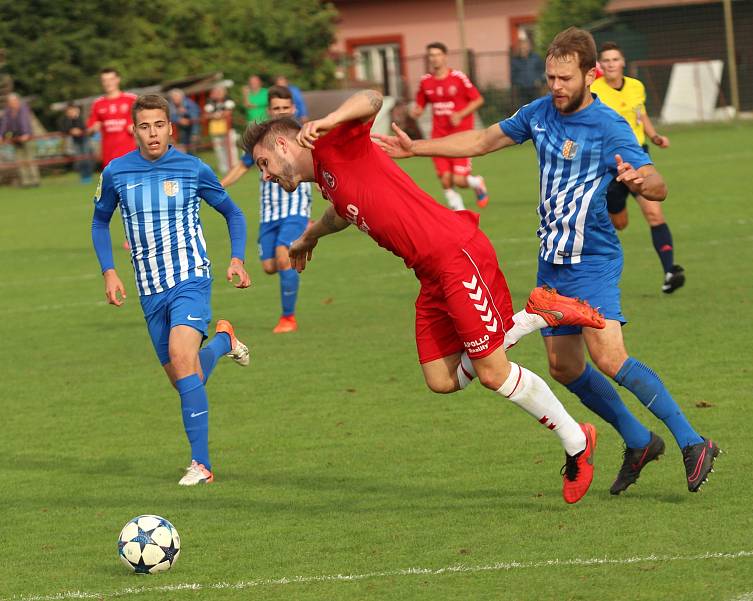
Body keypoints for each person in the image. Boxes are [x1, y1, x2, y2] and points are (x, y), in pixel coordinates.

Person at [375, 27, 719, 495]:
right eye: (550, 77)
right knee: (564, 368)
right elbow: (481, 140)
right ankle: (639, 441)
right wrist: (417, 148)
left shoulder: (608, 125)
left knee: (610, 358)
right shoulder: (538, 113)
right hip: (552, 260)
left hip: (592, 257)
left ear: (590, 75)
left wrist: (641, 182)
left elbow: (658, 183)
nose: (555, 86)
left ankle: (693, 441)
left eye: (564, 78)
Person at [243, 89, 609, 504]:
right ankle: (532, 316)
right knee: (441, 380)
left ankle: (577, 440)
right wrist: (310, 236)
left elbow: (372, 98)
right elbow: (341, 210)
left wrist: (330, 119)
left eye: (264, 164)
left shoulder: (335, 141)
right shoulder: (326, 175)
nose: (266, 175)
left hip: (456, 256)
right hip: (430, 274)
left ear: (282, 143)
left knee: (492, 373)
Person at [91, 94, 252, 486]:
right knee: (185, 377)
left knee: (183, 360)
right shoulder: (116, 172)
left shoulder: (192, 168)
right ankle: (223, 342)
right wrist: (109, 272)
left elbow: (233, 212)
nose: (152, 133)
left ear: (171, 128)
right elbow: (99, 222)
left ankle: (202, 465)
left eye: (159, 125)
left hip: (189, 278)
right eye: (144, 126)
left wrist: (237, 258)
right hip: (149, 289)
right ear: (134, 130)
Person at [592, 42, 684, 294]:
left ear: (623, 62)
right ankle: (598, 268)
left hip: (639, 158)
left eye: (615, 59)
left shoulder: (636, 86)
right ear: (601, 66)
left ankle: (669, 271)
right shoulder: (593, 90)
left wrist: (654, 136)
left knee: (655, 215)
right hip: (611, 166)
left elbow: (640, 114)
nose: (611, 64)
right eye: (606, 60)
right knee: (619, 223)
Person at [221, 86, 311, 333]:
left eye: (285, 108)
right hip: (269, 213)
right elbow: (241, 167)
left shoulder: (302, 136)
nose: (281, 112)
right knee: (270, 266)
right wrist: (217, 186)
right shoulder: (260, 142)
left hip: (295, 208)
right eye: (276, 108)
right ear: (269, 110)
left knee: (285, 254)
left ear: (293, 108)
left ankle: (288, 319)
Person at [410, 42, 489, 211]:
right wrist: (416, 111)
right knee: (445, 179)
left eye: (438, 54)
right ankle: (458, 212)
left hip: (461, 136)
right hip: (438, 136)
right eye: (431, 55)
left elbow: (478, 99)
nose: (434, 58)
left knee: (459, 181)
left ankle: (477, 183)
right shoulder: (426, 82)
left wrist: (460, 114)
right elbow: (420, 105)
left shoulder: (458, 78)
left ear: (445, 56)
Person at [86, 68, 137, 168]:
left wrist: (136, 128)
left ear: (118, 79)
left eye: (111, 79)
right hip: (108, 155)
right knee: (113, 183)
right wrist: (93, 129)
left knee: (133, 182)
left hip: (129, 153)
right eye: (105, 80)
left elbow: (145, 123)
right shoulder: (97, 103)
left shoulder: (131, 99)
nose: (108, 83)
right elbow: (89, 131)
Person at [0, 93, 40, 187]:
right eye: (10, 102)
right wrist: (1, 135)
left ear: (17, 100)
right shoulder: (8, 112)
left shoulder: (23, 109)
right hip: (16, 139)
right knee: (20, 160)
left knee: (30, 159)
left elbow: (24, 122)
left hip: (27, 138)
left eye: (14, 101)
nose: (12, 103)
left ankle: (35, 180)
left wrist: (26, 134)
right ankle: (26, 181)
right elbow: (5, 124)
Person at [57, 103, 94, 183]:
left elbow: (84, 126)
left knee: (86, 158)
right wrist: (71, 130)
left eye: (72, 110)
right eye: (69, 110)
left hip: (84, 140)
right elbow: (63, 128)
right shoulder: (65, 120)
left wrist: (76, 119)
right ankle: (83, 177)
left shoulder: (80, 117)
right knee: (79, 159)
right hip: (74, 141)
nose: (71, 112)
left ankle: (88, 176)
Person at [204, 85, 236, 175]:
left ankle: (233, 166)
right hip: (215, 130)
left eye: (219, 92)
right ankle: (223, 168)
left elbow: (228, 112)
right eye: (216, 92)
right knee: (218, 149)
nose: (217, 94)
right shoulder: (210, 103)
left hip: (228, 129)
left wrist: (216, 115)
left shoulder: (228, 101)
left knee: (230, 148)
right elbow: (206, 115)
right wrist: (216, 115)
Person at [510, 37, 545, 107]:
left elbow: (543, 70)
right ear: (519, 48)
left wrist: (540, 80)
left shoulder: (536, 57)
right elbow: (513, 76)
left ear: (529, 47)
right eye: (522, 47)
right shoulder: (515, 60)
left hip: (535, 89)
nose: (524, 48)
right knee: (524, 110)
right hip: (522, 91)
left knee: (536, 108)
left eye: (526, 46)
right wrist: (520, 83)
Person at [167, 88, 200, 154]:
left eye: (176, 97)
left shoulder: (190, 104)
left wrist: (195, 134)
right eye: (173, 98)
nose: (175, 99)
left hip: (191, 130)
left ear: (182, 97)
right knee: (181, 150)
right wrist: (179, 119)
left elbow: (195, 118)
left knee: (191, 150)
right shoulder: (170, 106)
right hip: (177, 133)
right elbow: (167, 116)